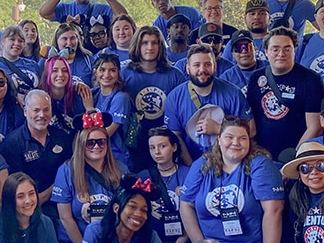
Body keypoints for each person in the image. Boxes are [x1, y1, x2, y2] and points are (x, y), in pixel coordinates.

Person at [179, 118, 287, 243]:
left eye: (242, 138)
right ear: (219, 139)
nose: (235, 143)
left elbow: (274, 209)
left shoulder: (260, 164)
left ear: (249, 141)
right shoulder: (202, 164)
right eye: (229, 137)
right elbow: (185, 204)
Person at [52, 114, 122, 243]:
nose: (96, 146)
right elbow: (66, 218)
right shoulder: (66, 171)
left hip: (112, 241)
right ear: (81, 144)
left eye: (101, 142)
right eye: (90, 143)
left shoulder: (121, 169)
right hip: (76, 241)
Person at [246, 26, 324, 162]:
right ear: (266, 52)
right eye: (275, 49)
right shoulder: (256, 78)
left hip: (297, 157)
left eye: (287, 49)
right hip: (262, 157)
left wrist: (295, 157)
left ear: (294, 51)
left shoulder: (310, 80)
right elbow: (250, 119)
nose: (281, 54)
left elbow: (315, 127)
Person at [165, 44, 254, 161]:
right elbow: (176, 137)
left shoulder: (233, 93)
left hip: (230, 161)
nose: (202, 70)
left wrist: (220, 129)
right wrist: (191, 167)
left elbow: (252, 130)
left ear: (215, 66)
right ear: (188, 68)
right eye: (197, 65)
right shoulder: (174, 98)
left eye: (207, 64)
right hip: (191, 161)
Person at [122, 25, 186, 170]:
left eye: (154, 43)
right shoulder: (124, 73)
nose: (150, 47)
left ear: (161, 46)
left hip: (167, 144)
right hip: (134, 144)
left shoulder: (175, 75)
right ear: (137, 45)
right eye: (145, 43)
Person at [0, 89, 72, 210]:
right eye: (36, 110)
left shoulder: (63, 137)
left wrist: (50, 193)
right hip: (27, 209)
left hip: (62, 205)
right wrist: (39, 198)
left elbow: (70, 174)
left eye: (46, 110)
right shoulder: (11, 144)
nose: (42, 115)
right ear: (25, 111)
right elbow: (14, 186)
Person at [138, 127, 191, 243]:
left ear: (174, 147)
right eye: (152, 147)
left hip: (185, 242)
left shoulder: (189, 175)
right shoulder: (143, 177)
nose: (157, 152)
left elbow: (196, 217)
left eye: (162, 146)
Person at [91, 52, 133, 170]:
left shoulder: (121, 98)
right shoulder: (94, 94)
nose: (107, 74)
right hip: (95, 155)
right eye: (102, 70)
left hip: (116, 157)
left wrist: (89, 109)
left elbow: (105, 134)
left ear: (118, 73)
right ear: (95, 72)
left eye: (112, 70)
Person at [0, 25, 41, 101]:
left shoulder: (33, 65)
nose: (17, 43)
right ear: (3, 41)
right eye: (12, 39)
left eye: (20, 41)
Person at [39, 55, 93, 137]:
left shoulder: (79, 94)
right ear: (47, 74)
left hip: (75, 142)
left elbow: (89, 130)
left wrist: (89, 109)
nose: (60, 74)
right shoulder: (39, 97)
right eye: (55, 70)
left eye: (65, 70)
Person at [221, 0, 270, 64]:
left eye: (262, 13)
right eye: (252, 14)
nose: (256, 17)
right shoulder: (233, 43)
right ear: (245, 19)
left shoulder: (276, 41)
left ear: (269, 18)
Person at [218, 29, 263, 94]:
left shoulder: (270, 68)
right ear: (232, 53)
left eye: (247, 46)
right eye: (238, 48)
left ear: (255, 49)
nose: (243, 51)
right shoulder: (226, 79)